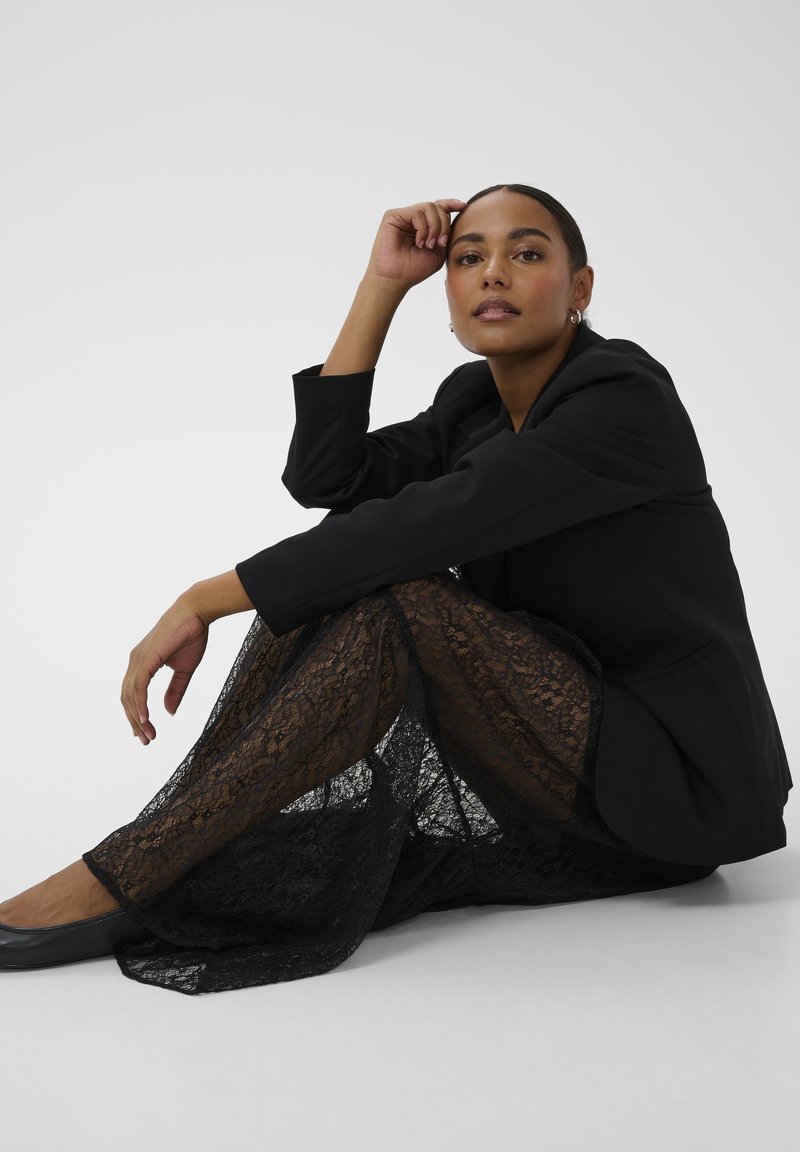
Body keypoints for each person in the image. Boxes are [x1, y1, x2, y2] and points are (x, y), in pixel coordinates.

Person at [0, 185, 791, 995]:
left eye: (526, 253)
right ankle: (158, 856)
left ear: (580, 288)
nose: (493, 274)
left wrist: (206, 597)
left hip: (677, 790)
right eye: (468, 257)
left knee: (400, 599)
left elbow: (434, 522)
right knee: (339, 585)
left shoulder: (623, 399)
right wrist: (381, 286)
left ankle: (129, 873)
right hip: (556, 764)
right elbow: (327, 479)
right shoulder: (473, 404)